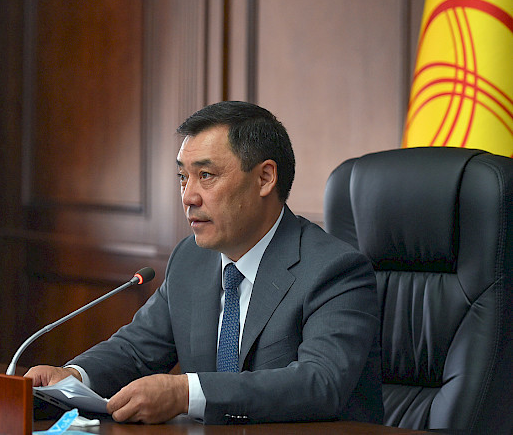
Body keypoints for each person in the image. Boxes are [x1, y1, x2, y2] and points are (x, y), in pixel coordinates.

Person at [26, 101, 383, 425]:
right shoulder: (191, 259)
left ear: (264, 178)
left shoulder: (335, 270)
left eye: (206, 176)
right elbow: (136, 350)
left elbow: (319, 382)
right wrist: (74, 375)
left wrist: (186, 393)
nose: (188, 196)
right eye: (183, 177)